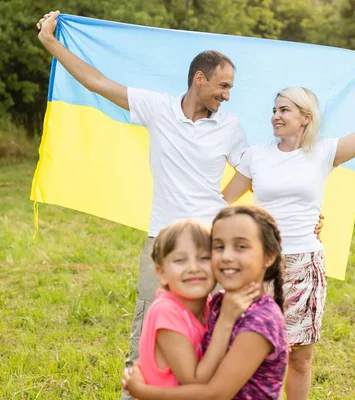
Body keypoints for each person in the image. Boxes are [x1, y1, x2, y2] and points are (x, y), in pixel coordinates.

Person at [36, 11, 321, 399]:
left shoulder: (230, 126)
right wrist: (50, 41)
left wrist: (298, 216)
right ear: (198, 79)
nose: (226, 94)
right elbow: (96, 81)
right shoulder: (157, 108)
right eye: (222, 85)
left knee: (214, 332)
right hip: (165, 238)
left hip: (211, 242)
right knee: (149, 329)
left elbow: (259, 171)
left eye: (231, 88)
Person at [221, 56, 355, 399]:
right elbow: (223, 200)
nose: (276, 115)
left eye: (285, 109)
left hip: (305, 264)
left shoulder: (324, 152)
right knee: (252, 353)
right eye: (274, 109)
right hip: (260, 267)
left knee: (299, 357)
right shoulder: (257, 155)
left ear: (305, 117)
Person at [122, 205, 289, 399]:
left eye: (241, 246)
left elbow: (216, 395)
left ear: (268, 256)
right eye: (218, 247)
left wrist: (143, 392)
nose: (226, 256)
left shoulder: (261, 320)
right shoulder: (218, 302)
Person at [139, 219, 260, 387]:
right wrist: (225, 321)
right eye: (180, 260)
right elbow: (194, 380)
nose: (193, 268)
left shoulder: (211, 305)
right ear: (162, 273)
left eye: (204, 258)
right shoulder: (166, 311)